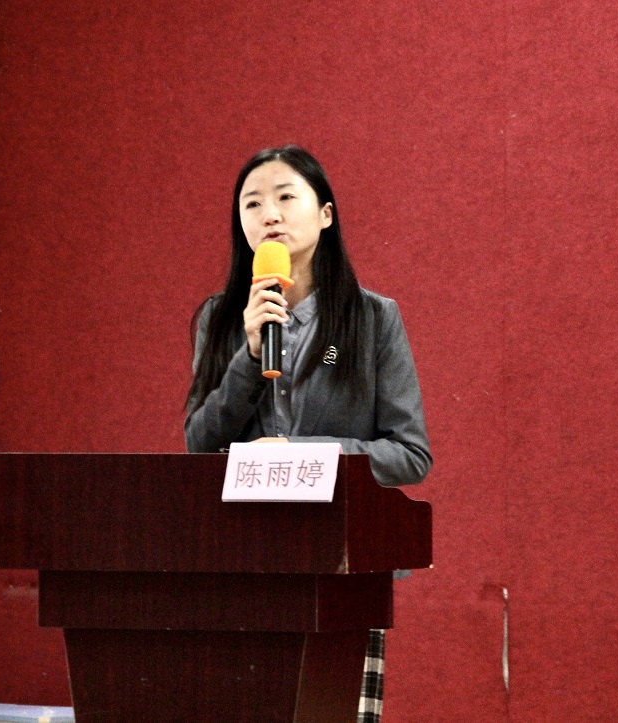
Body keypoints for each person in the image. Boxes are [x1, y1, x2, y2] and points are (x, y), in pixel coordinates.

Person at [184, 145, 432, 721]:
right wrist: (250, 357)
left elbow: (409, 453)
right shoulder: (220, 320)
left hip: (340, 564)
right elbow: (199, 443)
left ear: (325, 214)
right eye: (252, 204)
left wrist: (296, 455)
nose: (269, 214)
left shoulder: (367, 323)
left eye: (285, 197)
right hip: (242, 561)